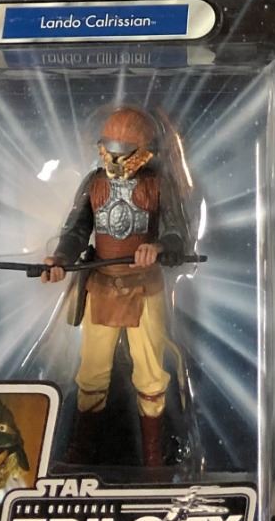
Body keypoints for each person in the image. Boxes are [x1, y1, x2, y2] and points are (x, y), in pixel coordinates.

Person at [42, 105, 192, 470]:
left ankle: (154, 459)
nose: (114, 160)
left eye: (123, 151)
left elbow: (177, 234)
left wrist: (158, 247)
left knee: (151, 374)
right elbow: (77, 229)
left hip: (145, 288)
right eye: (109, 149)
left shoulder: (159, 185)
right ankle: (81, 449)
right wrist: (60, 258)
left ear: (143, 152)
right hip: (102, 286)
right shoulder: (94, 183)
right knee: (92, 371)